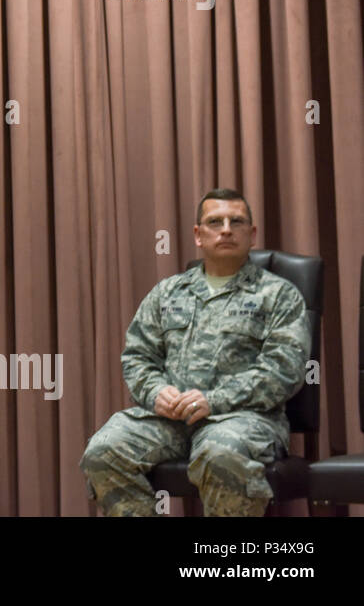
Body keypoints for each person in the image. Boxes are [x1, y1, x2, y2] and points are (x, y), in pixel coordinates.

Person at [80, 188, 310, 516]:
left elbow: (283, 369)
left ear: (252, 234)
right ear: (198, 235)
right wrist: (156, 392)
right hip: (169, 420)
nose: (227, 229)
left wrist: (213, 400)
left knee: (220, 453)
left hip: (244, 419)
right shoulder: (168, 292)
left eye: (237, 222)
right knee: (102, 451)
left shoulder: (278, 296)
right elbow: (138, 357)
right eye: (215, 222)